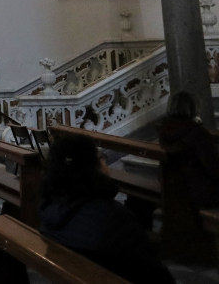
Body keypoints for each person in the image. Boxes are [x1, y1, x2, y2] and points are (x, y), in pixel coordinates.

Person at [39, 132, 174, 284]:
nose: (104, 162)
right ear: (92, 167)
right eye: (101, 158)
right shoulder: (113, 218)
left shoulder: (48, 211)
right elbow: (157, 276)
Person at [158, 90, 219, 211]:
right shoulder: (196, 133)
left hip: (175, 187)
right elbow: (213, 168)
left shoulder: (165, 129)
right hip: (198, 192)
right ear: (193, 108)